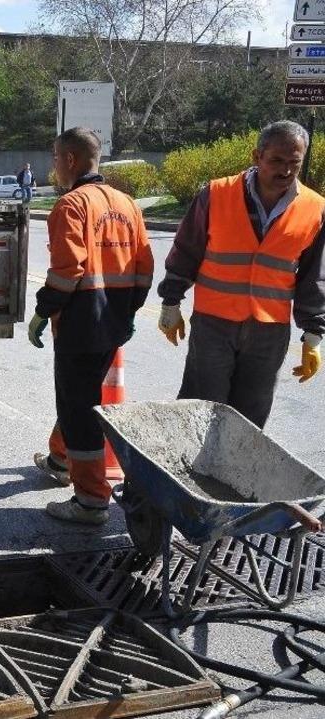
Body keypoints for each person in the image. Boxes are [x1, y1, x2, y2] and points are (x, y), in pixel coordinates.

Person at [157, 121, 325, 429]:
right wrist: (171, 301)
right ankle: (181, 474)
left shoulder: (315, 209)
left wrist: (314, 334)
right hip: (214, 324)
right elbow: (186, 251)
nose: (285, 171)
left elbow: (314, 277)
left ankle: (231, 477)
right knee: (199, 408)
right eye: (277, 160)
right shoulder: (216, 194)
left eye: (294, 164)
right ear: (257, 156)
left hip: (268, 332)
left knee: (249, 420)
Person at [28, 127, 153, 525]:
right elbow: (145, 269)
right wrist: (128, 314)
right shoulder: (127, 204)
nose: (53, 167)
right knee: (83, 398)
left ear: (70, 160)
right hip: (112, 322)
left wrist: (42, 311)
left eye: (54, 158)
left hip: (81, 325)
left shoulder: (71, 206)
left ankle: (91, 501)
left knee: (78, 408)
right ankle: (62, 461)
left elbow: (67, 271)